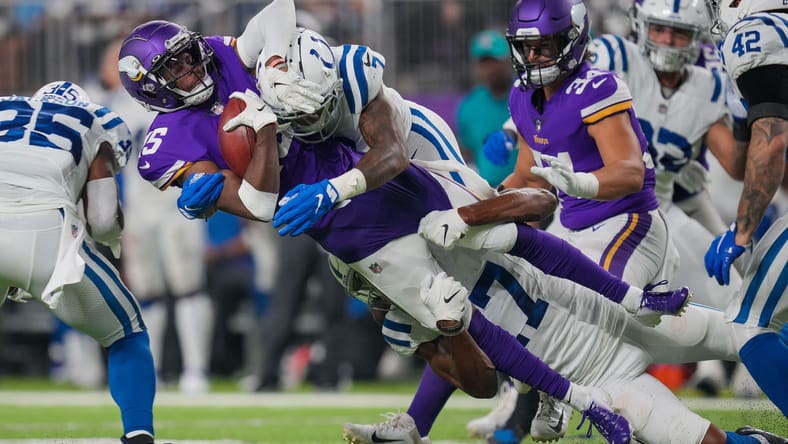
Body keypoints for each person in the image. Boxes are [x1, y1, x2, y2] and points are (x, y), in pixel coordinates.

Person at [340, 186, 786, 444]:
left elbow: (540, 205)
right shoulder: (405, 316)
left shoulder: (442, 226)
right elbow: (480, 383)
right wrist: (451, 329)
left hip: (610, 313)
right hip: (598, 379)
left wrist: (472, 213)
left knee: (748, 333)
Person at [0, 81, 157, 444]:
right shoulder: (92, 119)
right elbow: (102, 221)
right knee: (127, 334)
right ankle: (138, 434)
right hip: (44, 228)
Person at [100, 37, 214, 394]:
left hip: (177, 206)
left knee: (189, 289)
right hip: (141, 209)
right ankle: (156, 369)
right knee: (146, 293)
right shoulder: (114, 105)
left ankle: (196, 370)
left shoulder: (179, 99)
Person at [702, 0, 788, 416]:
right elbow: (742, 159)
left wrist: (742, 229)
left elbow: (772, 141)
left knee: (748, 322)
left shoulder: (755, 33)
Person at [456, 29, 517, 187]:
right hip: (490, 194)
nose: (489, 69)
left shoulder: (526, 95)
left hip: (533, 190)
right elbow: (468, 151)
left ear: (508, 61)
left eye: (494, 61)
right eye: (484, 62)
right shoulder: (468, 106)